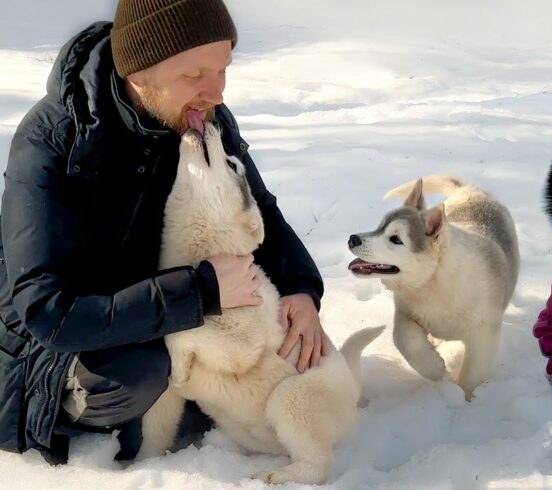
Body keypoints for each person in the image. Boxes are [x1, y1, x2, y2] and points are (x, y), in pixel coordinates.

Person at [0, 0, 326, 464]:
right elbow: (47, 310)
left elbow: (257, 209)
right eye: (195, 76)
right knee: (142, 374)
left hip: (155, 302)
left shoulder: (200, 116)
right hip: (51, 337)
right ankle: (75, 413)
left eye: (223, 71)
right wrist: (200, 293)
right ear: (139, 72)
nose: (215, 93)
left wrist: (300, 290)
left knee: (291, 346)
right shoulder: (52, 140)